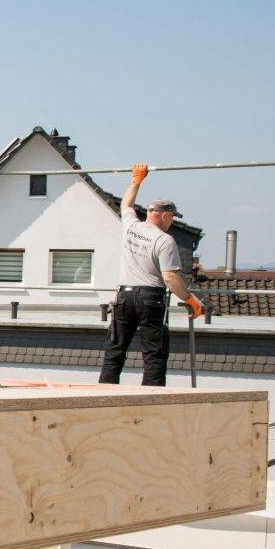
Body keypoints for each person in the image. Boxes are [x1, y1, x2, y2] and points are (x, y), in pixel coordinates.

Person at [100, 163, 203, 386]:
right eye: (172, 217)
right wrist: (190, 300)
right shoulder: (164, 240)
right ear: (164, 215)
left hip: (124, 297)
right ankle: (151, 396)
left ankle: (103, 394)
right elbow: (170, 278)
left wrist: (136, 180)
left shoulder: (131, 226)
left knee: (115, 350)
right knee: (154, 354)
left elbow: (126, 204)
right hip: (150, 299)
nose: (172, 222)